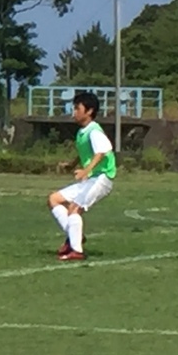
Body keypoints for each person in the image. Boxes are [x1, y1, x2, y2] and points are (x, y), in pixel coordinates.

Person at [49, 90, 115, 261]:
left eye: (77, 108)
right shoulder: (82, 132)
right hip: (91, 178)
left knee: (74, 209)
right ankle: (74, 236)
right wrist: (71, 164)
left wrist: (86, 170)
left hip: (102, 178)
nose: (74, 112)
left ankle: (76, 251)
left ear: (89, 111)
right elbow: (87, 153)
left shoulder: (94, 131)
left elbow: (102, 151)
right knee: (53, 199)